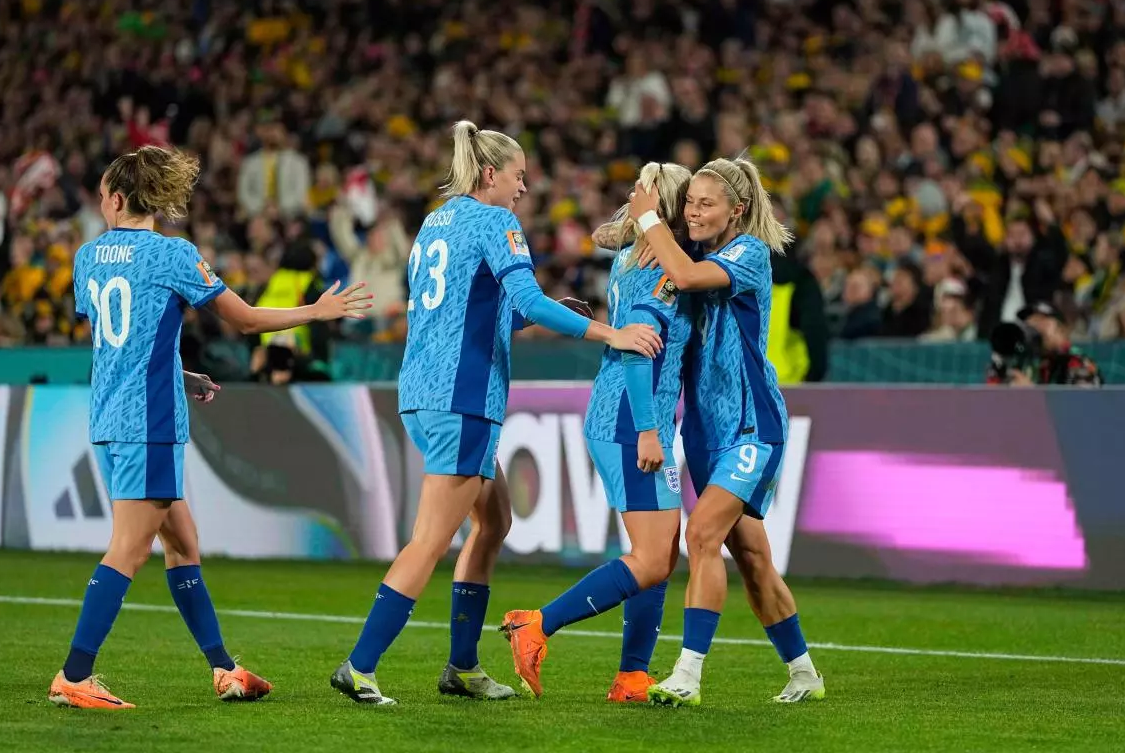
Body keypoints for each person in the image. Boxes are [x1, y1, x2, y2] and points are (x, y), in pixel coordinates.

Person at [330, 120, 663, 706]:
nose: (523, 190)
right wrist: (607, 332)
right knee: (430, 540)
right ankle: (359, 666)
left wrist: (543, 314)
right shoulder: (494, 220)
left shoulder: (436, 223)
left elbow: (480, 316)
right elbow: (525, 298)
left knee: (494, 523)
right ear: (490, 174)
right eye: (519, 176)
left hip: (424, 390)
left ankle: (462, 666)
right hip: (463, 400)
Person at [50, 145, 372, 710]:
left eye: (102, 194)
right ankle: (75, 675)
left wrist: (179, 374)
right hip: (148, 422)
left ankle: (224, 669)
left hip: (112, 415)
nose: (99, 202)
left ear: (119, 198)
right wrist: (315, 313)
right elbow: (244, 319)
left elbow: (123, 345)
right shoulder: (173, 254)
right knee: (129, 549)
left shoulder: (88, 258)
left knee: (182, 544)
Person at [627, 155, 825, 707]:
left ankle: (688, 675)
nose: (692, 212)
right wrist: (634, 226)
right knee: (754, 559)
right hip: (705, 434)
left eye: (705, 204)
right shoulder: (690, 250)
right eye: (688, 203)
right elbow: (626, 245)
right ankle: (804, 672)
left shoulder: (751, 255)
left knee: (701, 536)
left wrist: (649, 221)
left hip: (750, 427)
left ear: (737, 210)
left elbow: (686, 278)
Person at [500, 162, 693, 702]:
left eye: (641, 187)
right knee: (654, 558)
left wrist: (635, 225)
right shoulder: (663, 269)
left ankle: (632, 675)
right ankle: (536, 626)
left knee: (660, 552)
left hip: (630, 415)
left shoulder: (646, 252)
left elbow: (608, 233)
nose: (631, 193)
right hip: (634, 418)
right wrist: (650, 431)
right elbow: (638, 348)